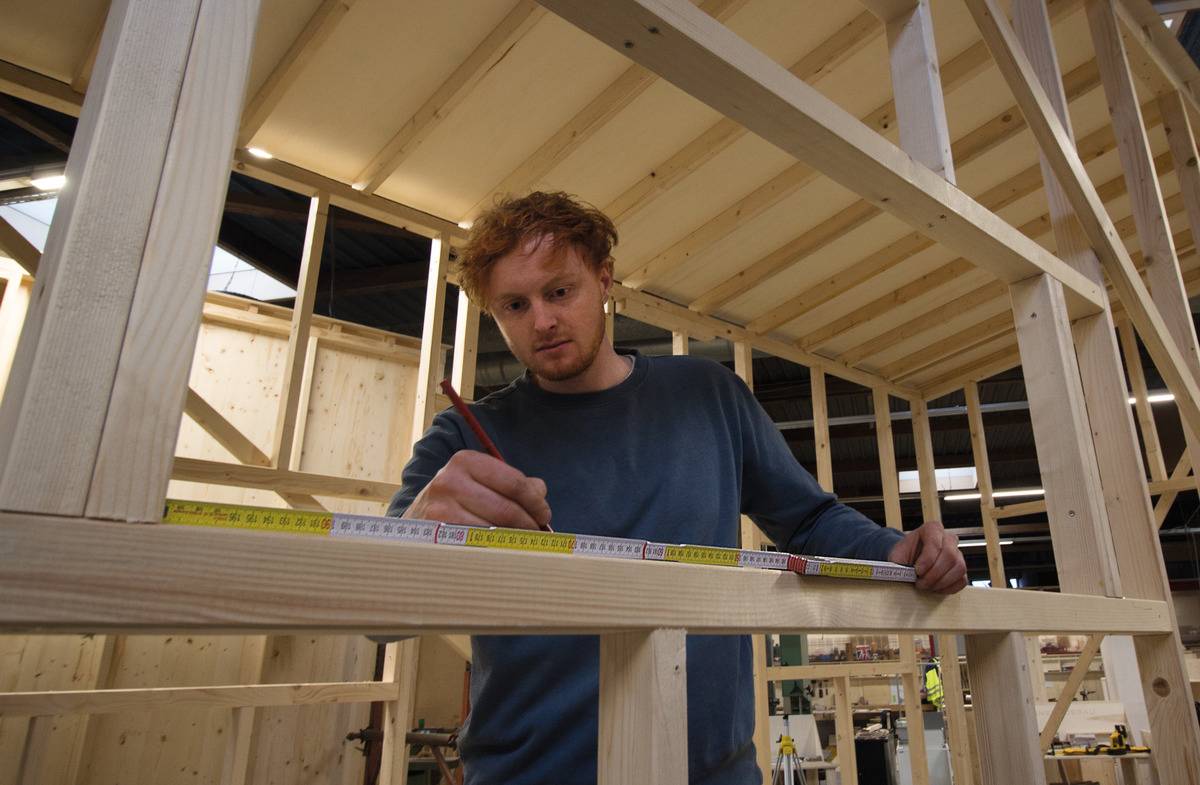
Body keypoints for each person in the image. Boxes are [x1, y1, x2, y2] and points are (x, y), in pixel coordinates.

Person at [388, 191, 967, 785]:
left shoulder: (707, 397)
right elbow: (382, 615)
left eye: (560, 291)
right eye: (515, 304)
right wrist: (414, 535)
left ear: (604, 280)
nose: (542, 320)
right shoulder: (463, 437)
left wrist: (894, 550)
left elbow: (810, 521)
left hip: (713, 773)